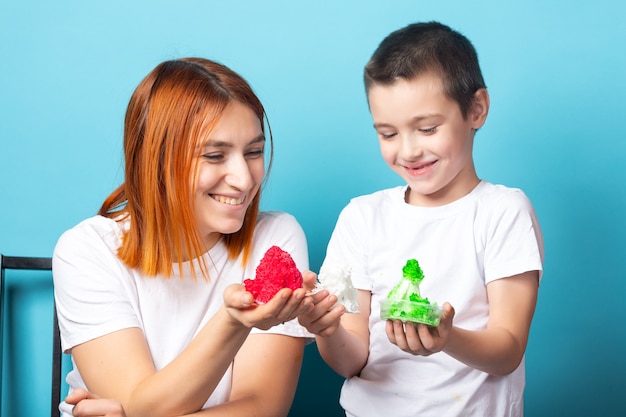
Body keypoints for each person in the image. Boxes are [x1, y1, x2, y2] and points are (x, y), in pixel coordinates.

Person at [298, 21, 544, 417]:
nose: (408, 150)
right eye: (388, 134)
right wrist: (327, 329)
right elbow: (351, 361)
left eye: (427, 128)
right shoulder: (362, 217)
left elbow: (507, 350)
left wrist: (446, 338)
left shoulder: (503, 211)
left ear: (476, 109)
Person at [52, 57, 314, 417]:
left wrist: (134, 415)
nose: (244, 179)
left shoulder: (276, 237)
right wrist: (233, 320)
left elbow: (263, 407)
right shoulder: (86, 250)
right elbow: (143, 404)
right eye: (215, 155)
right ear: (155, 160)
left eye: (254, 152)